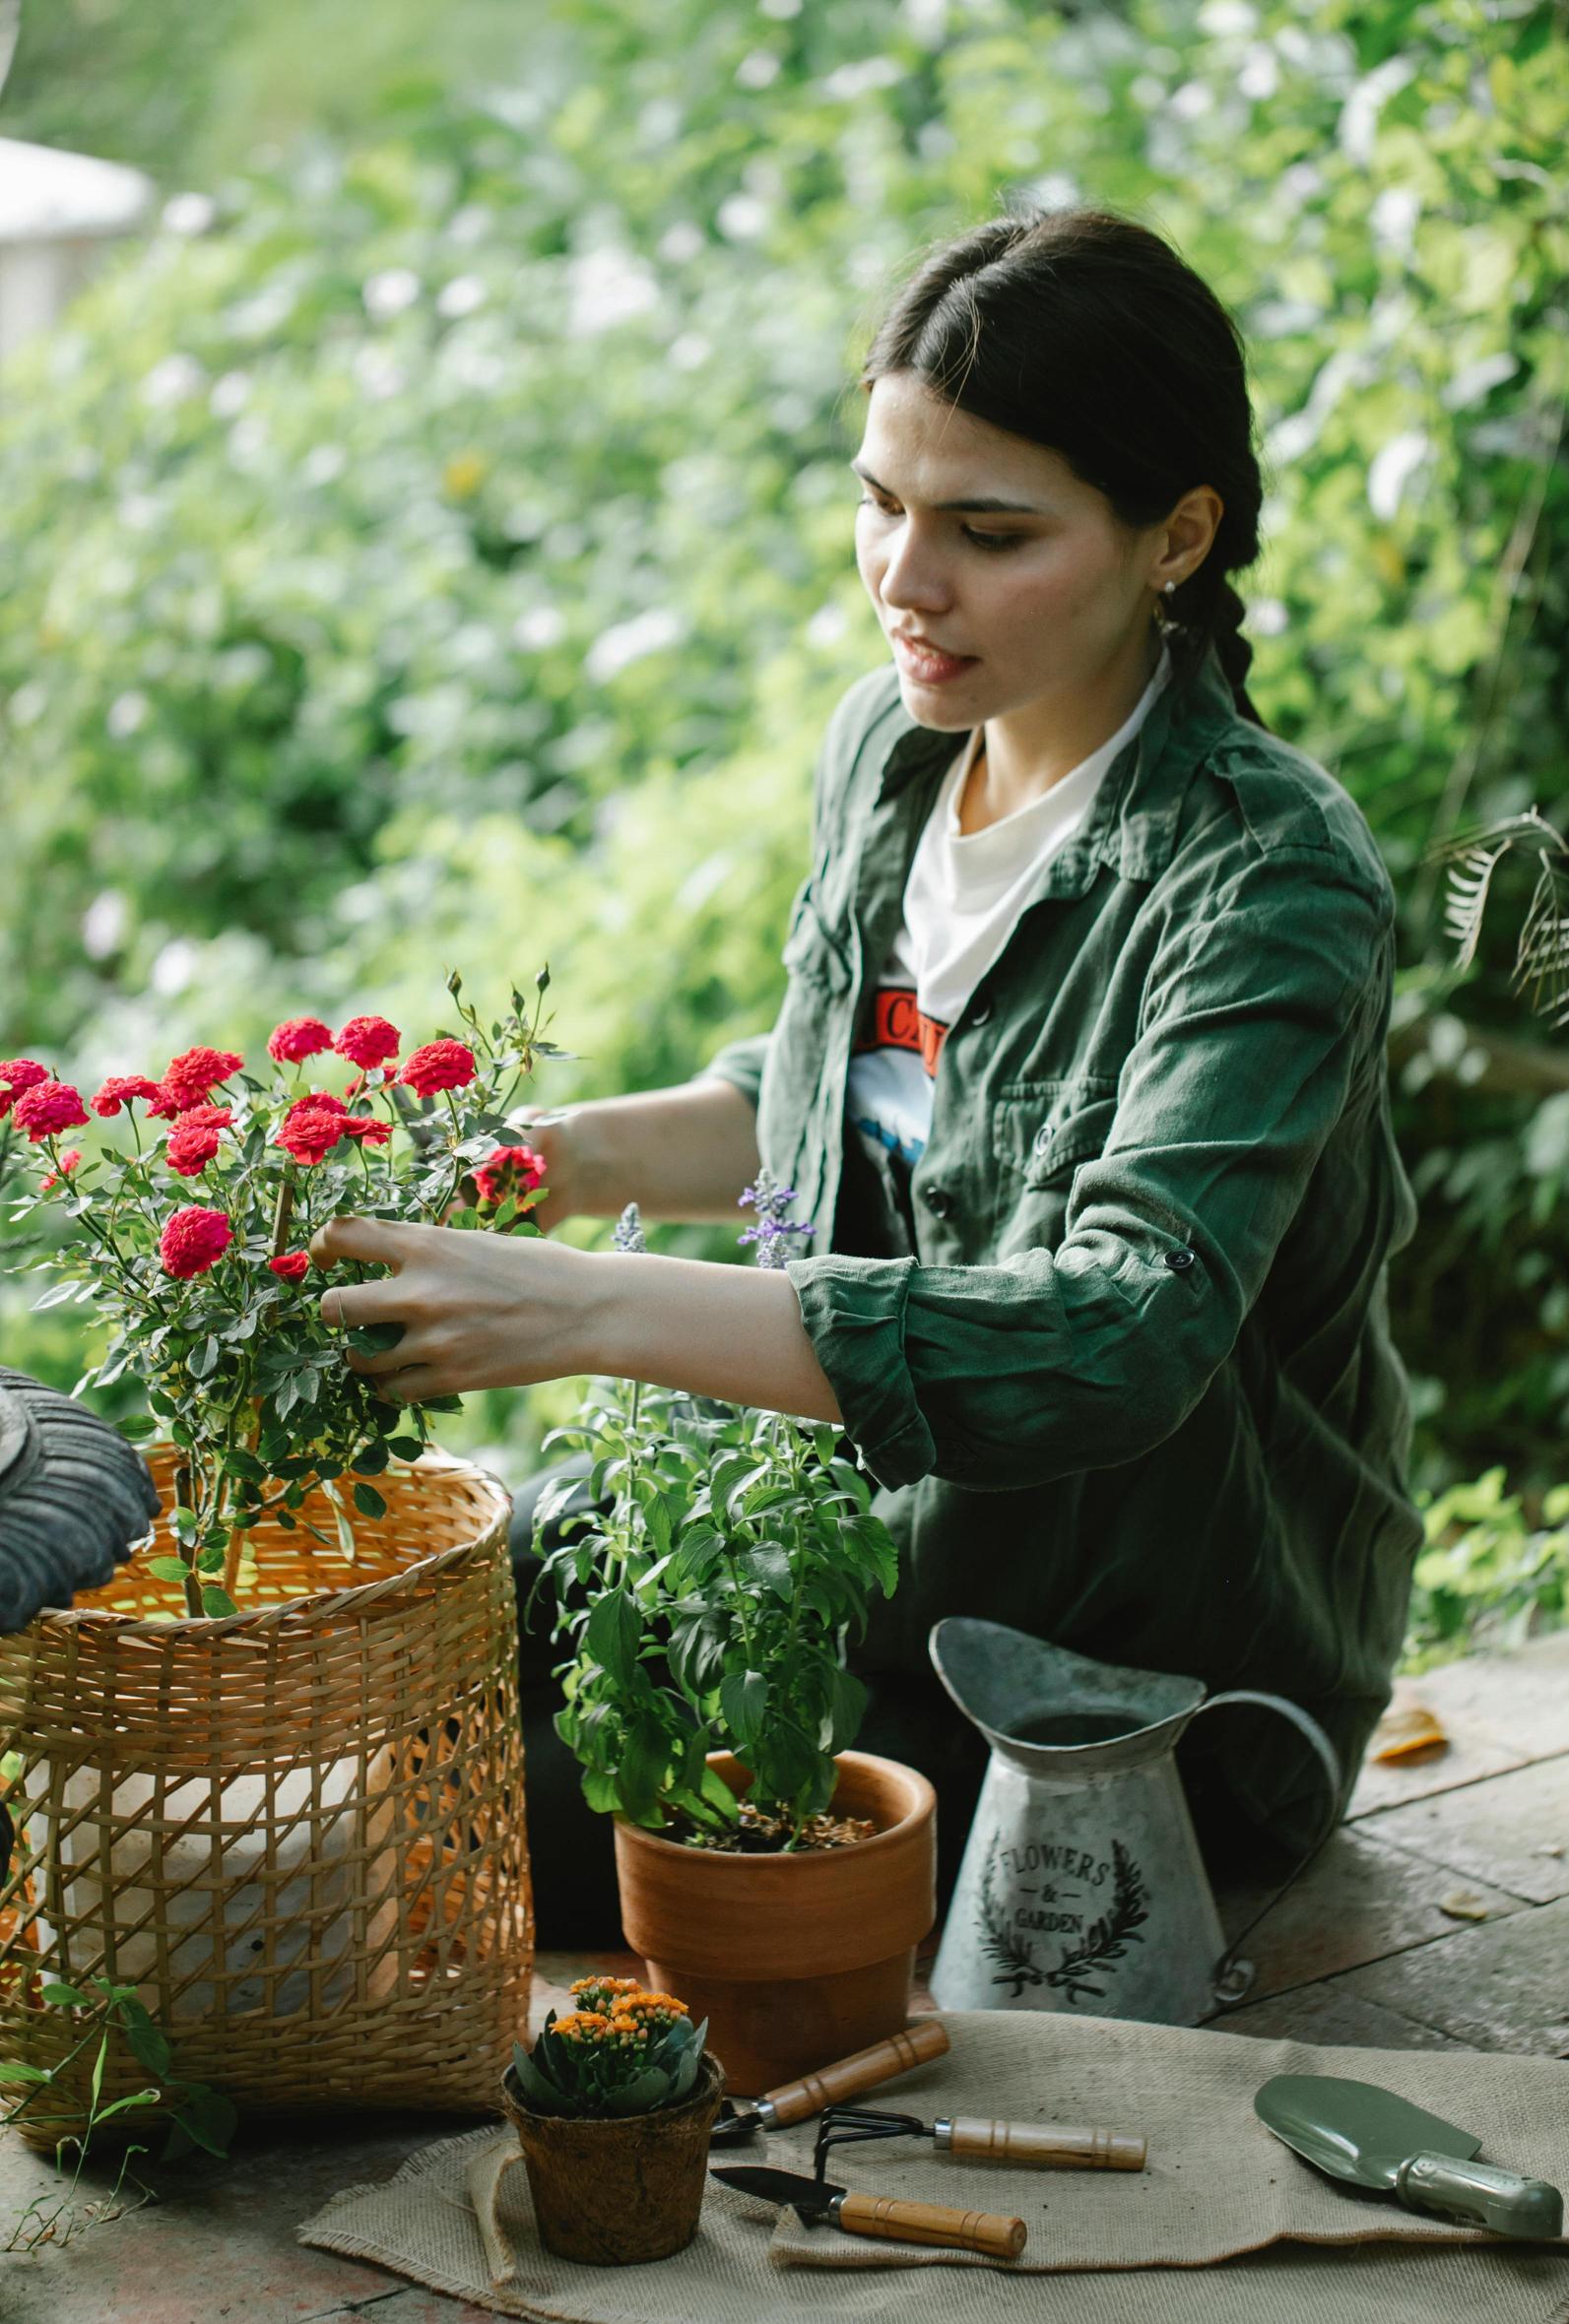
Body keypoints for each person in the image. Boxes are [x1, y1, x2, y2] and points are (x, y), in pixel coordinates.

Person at [315, 206, 1423, 1940]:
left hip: (1116, 1688)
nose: (907, 583)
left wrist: (590, 1310)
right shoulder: (900, 753)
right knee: (422, 1621)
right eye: (881, 504)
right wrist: (563, 1160)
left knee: (449, 1840)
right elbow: (856, 1098)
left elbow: (1120, 1336)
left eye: (989, 531)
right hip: (856, 1563)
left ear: (1176, 539)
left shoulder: (1264, 879)